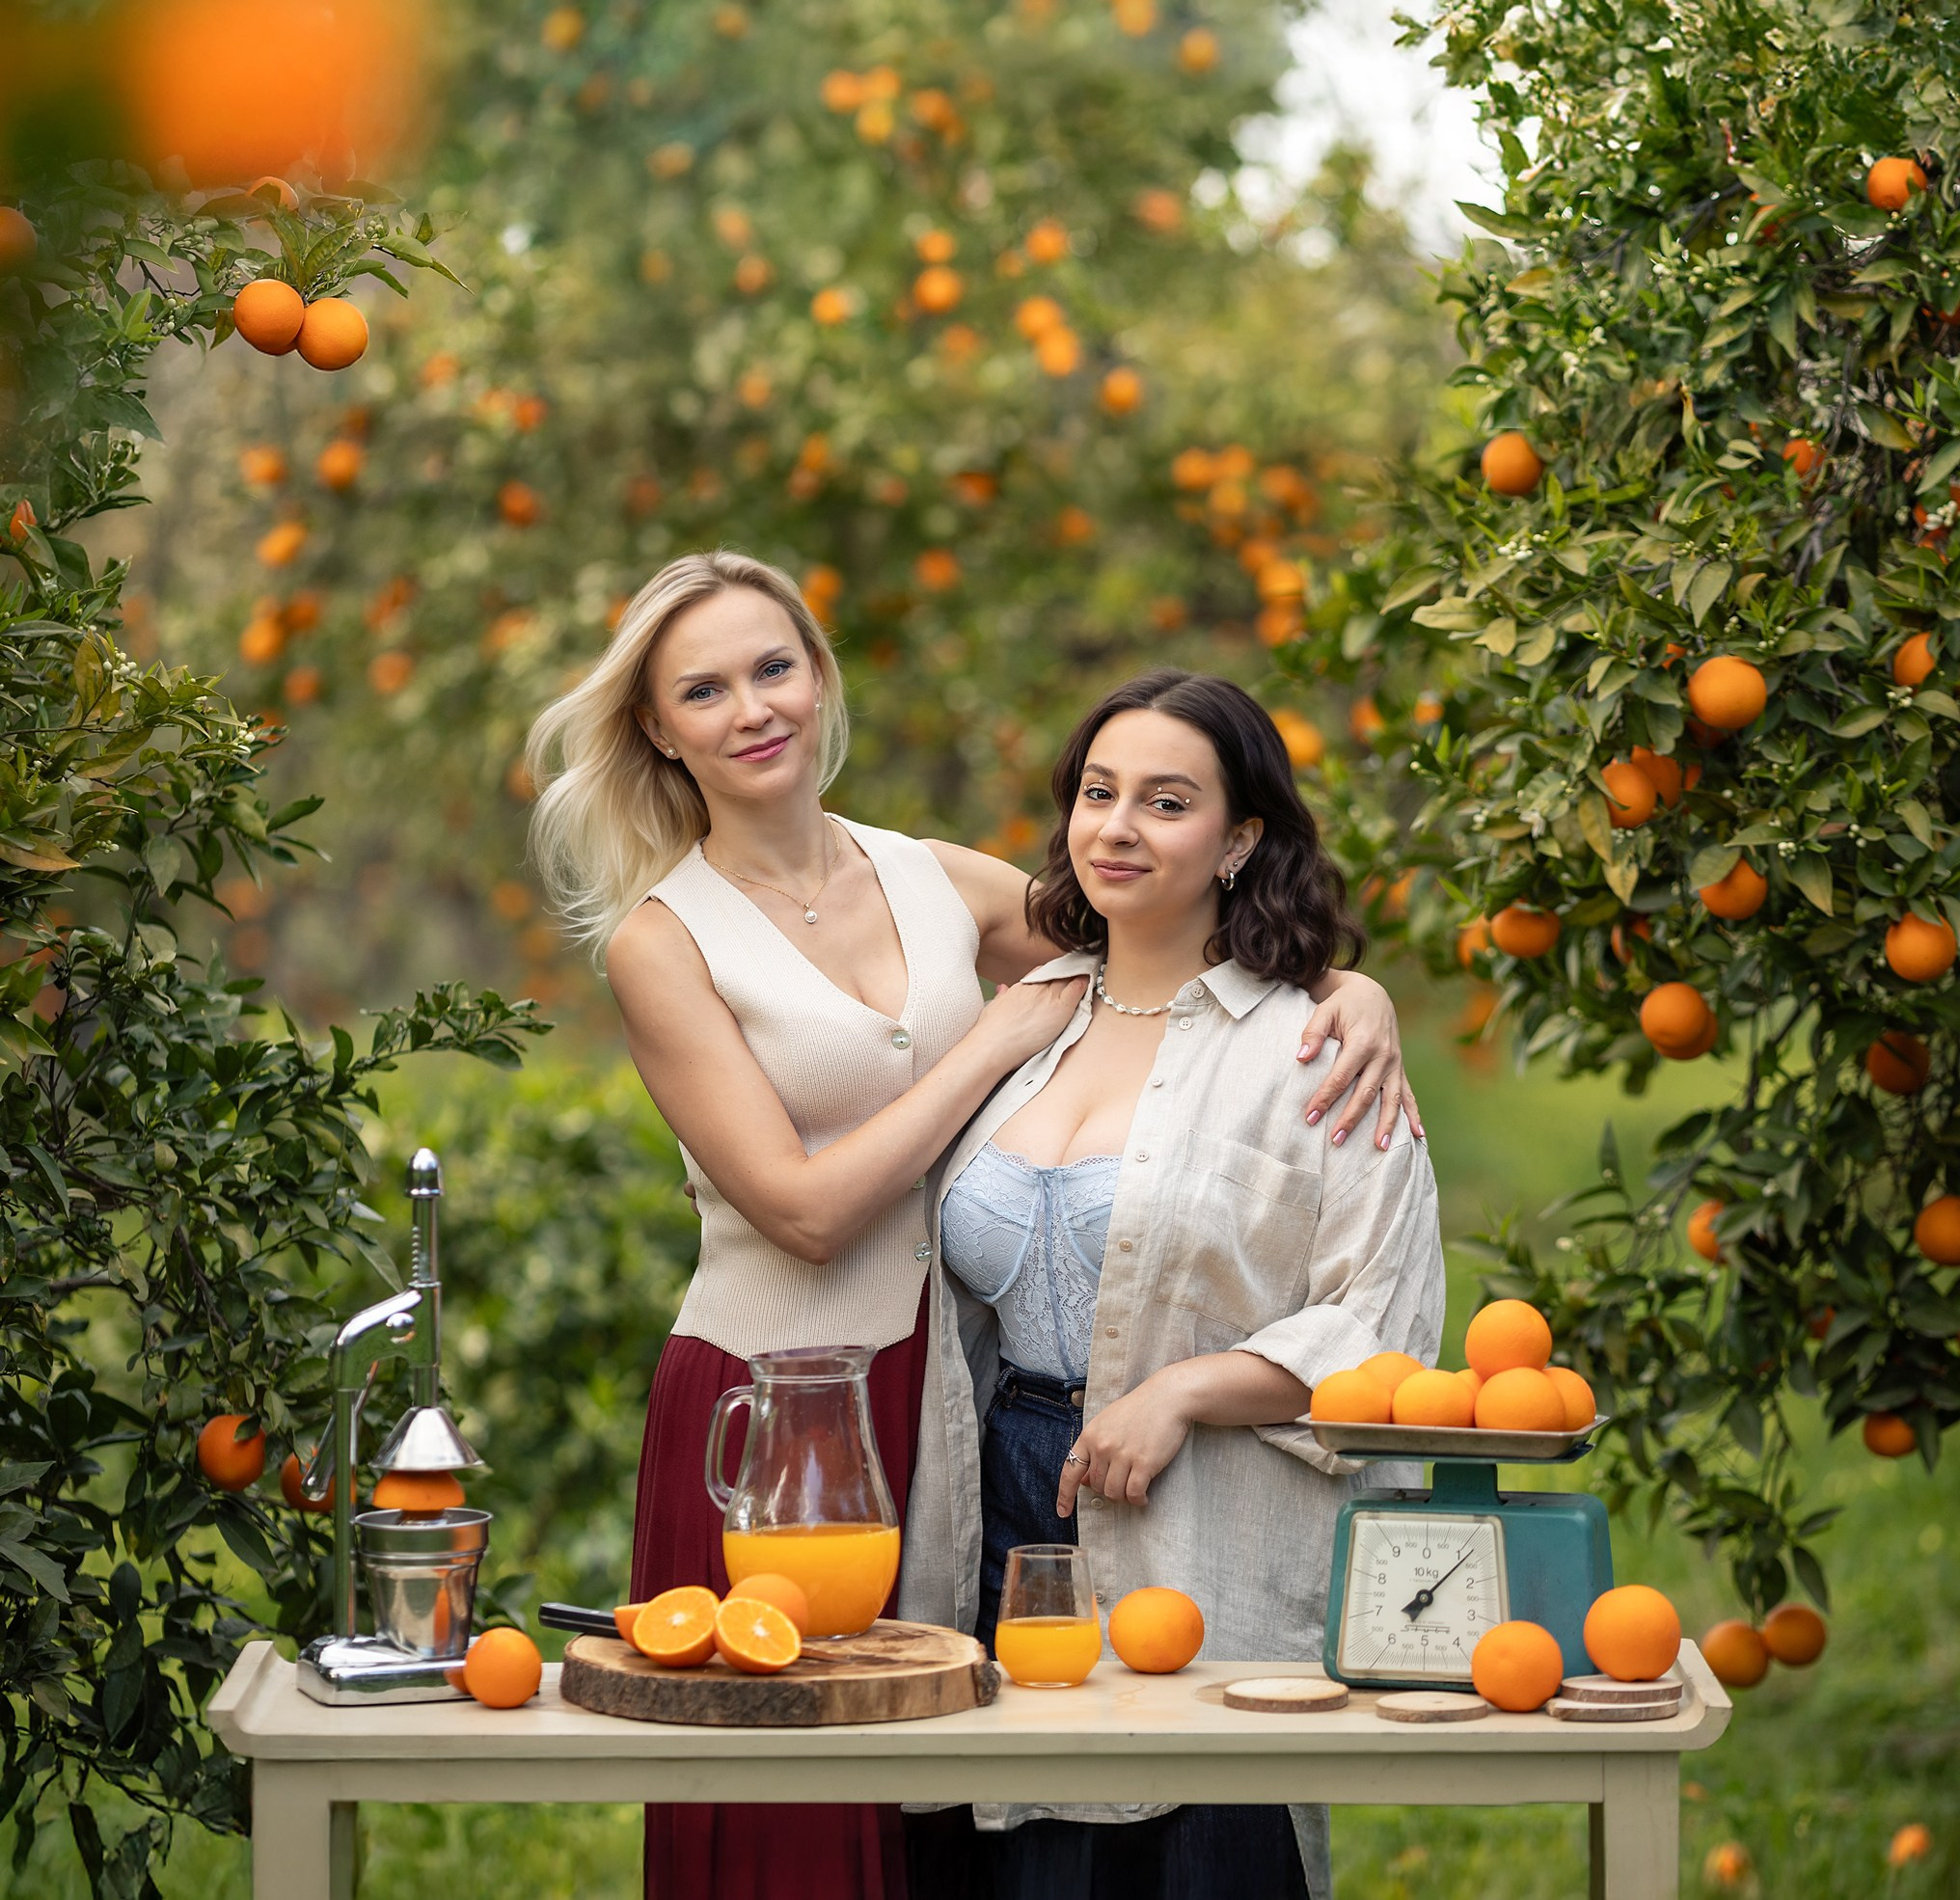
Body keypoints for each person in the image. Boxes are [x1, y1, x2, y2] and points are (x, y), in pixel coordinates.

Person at [526, 552, 1423, 1900]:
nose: (752, 708)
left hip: (951, 1385)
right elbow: (804, 1210)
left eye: (774, 667)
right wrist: (988, 1043)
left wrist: (1350, 988)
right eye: (703, 690)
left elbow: (1152, 930)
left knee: (955, 1811)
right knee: (804, 1828)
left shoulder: (931, 876)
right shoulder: (664, 940)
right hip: (780, 1411)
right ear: (657, 726)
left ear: (819, 676)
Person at [899, 668, 1447, 1900]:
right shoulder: (1023, 1026)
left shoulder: (1313, 1048)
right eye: (1098, 793)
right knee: (1017, 1846)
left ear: (1239, 839)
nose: (1119, 828)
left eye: (1166, 801)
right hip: (1001, 1494)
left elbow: (1384, 1316)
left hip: (1199, 1500)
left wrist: (1185, 1389)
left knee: (1197, 1838)